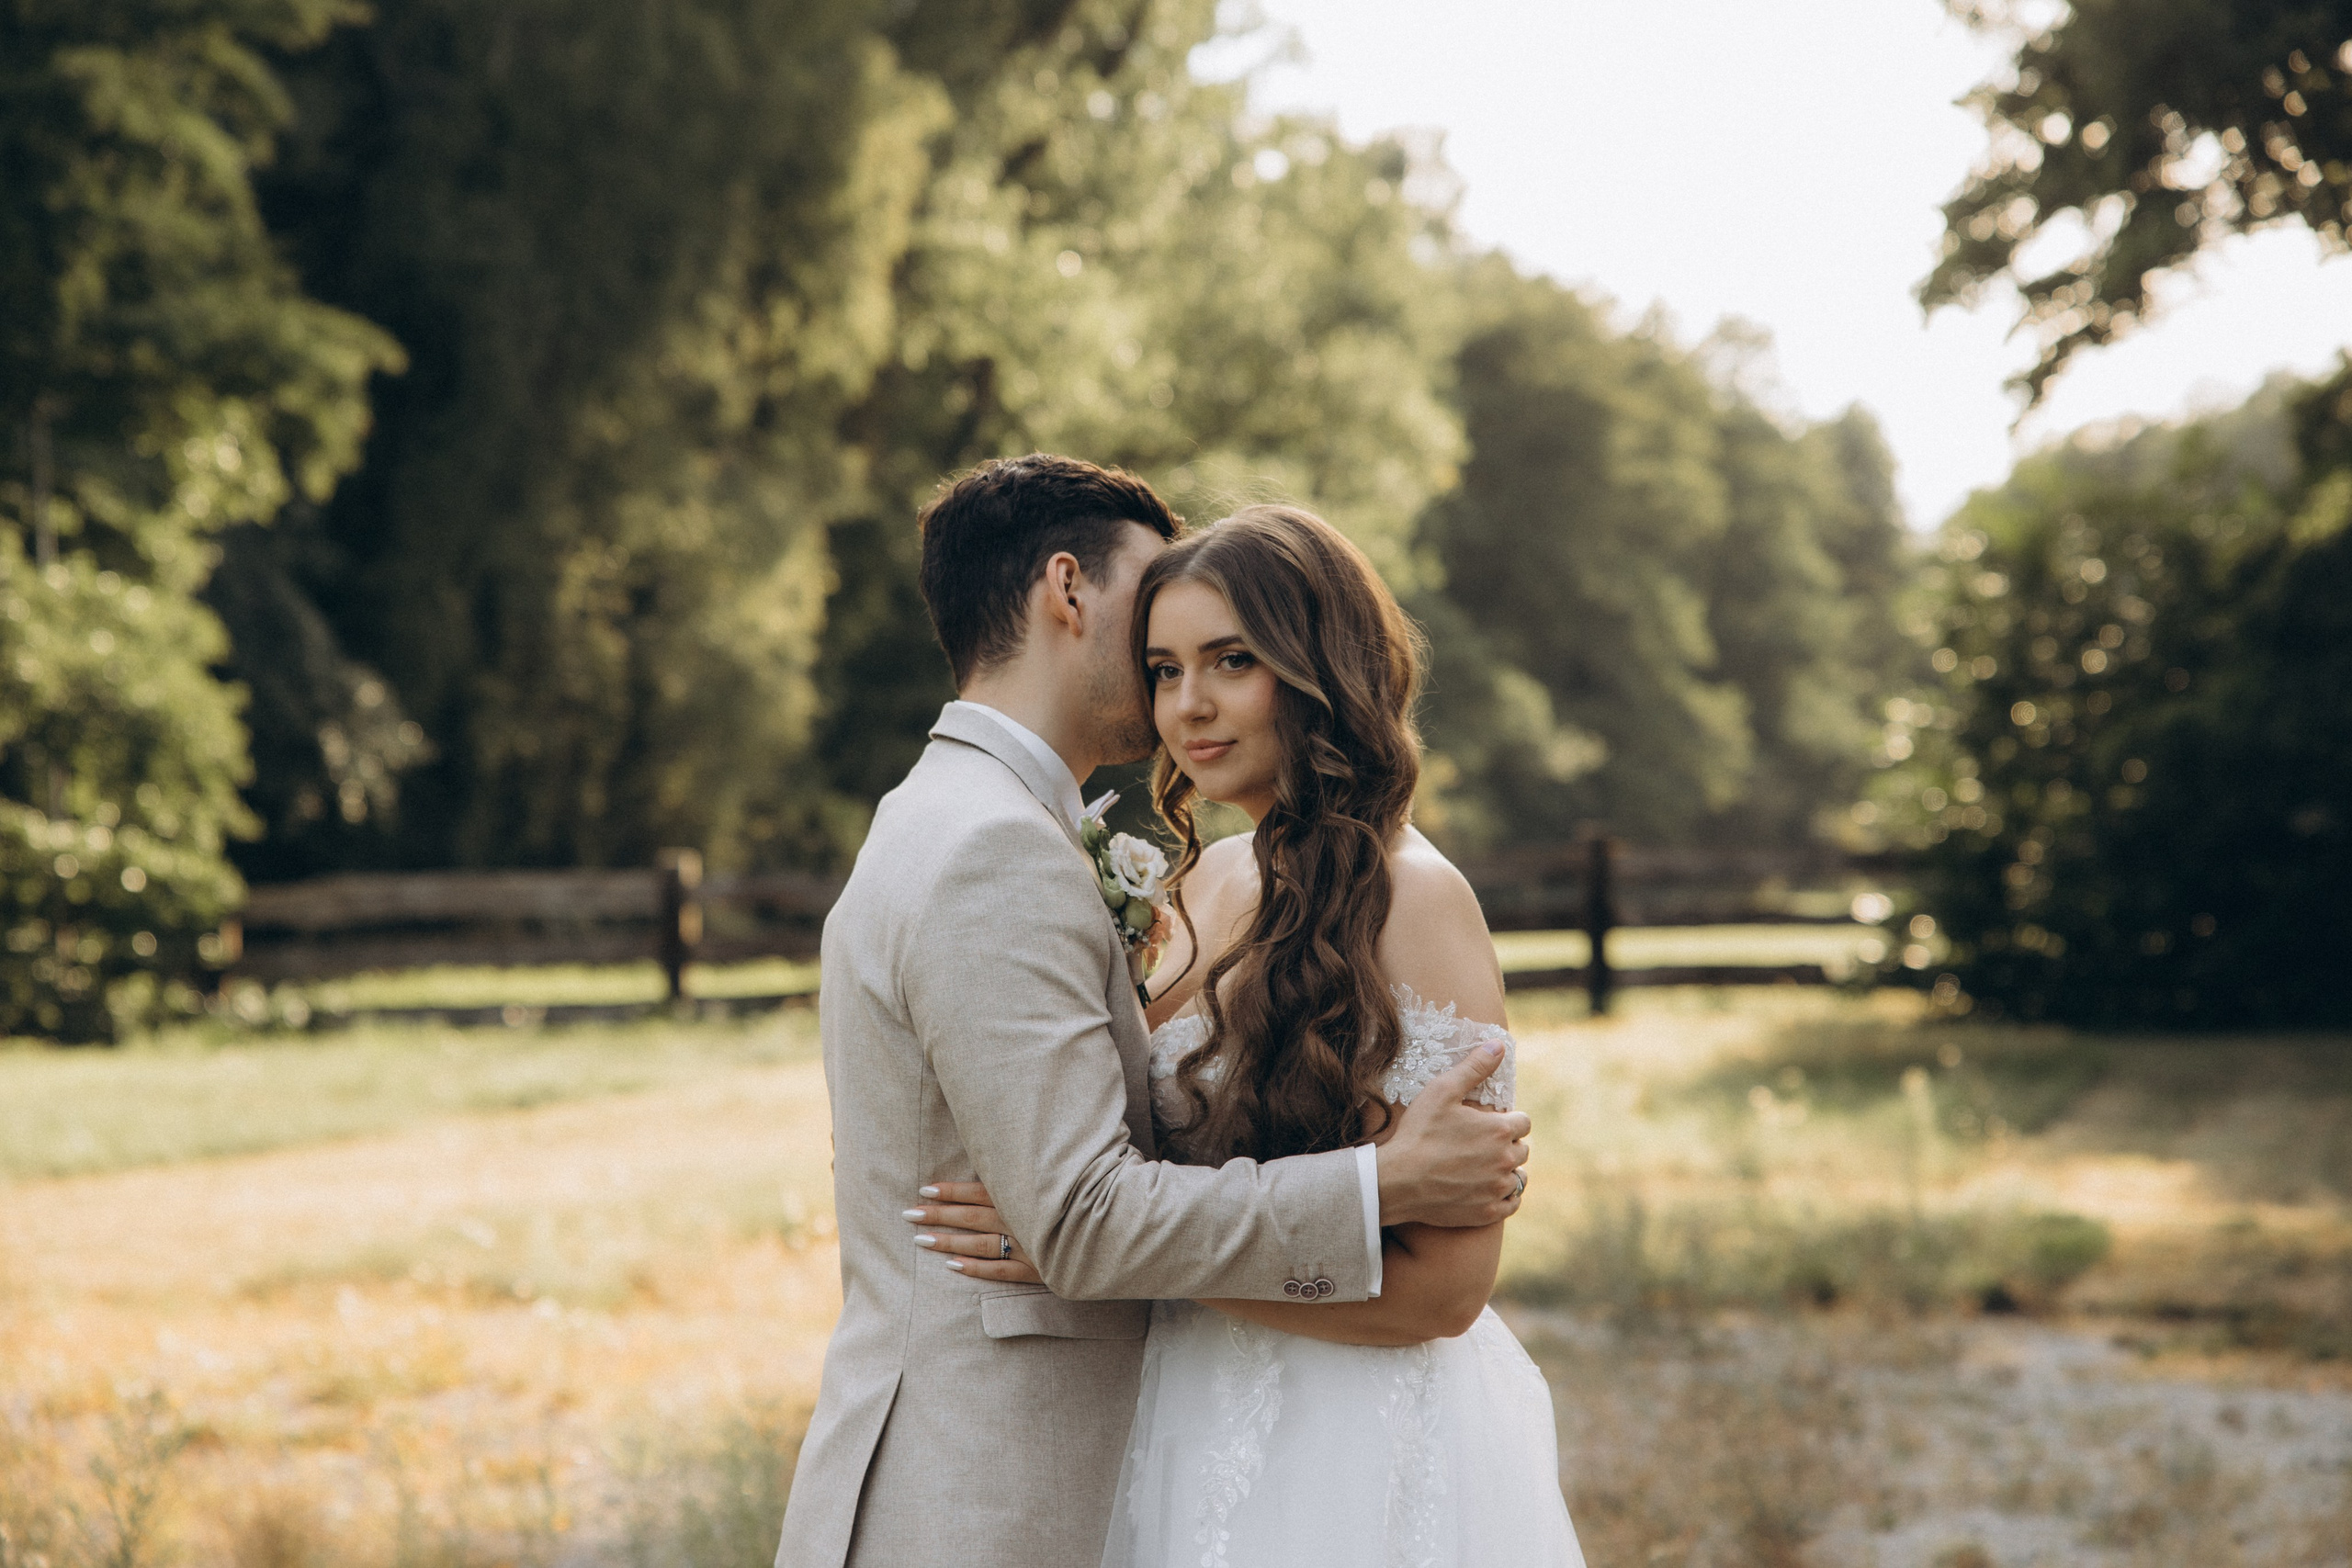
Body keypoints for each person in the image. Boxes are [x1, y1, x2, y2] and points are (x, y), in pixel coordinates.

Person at [776, 458, 1532, 1568]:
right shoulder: (1095, 865)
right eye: (1160, 656)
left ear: (1318, 668)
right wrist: (1365, 1189)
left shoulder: (1411, 898)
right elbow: (1089, 1211)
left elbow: (1446, 1283)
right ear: (1067, 592)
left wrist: (1093, 1248)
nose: (1183, 700)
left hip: (1332, 1451)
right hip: (1104, 1456)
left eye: (1232, 660)